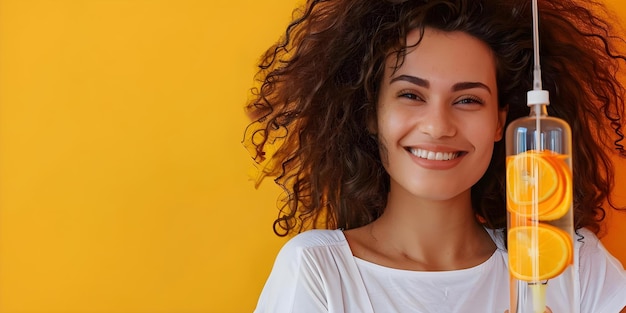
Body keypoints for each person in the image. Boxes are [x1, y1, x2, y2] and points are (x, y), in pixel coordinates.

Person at [243, 0, 626, 312]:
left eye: (468, 100)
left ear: (500, 123)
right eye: (411, 95)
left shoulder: (570, 263)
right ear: (371, 115)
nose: (438, 125)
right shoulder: (319, 271)